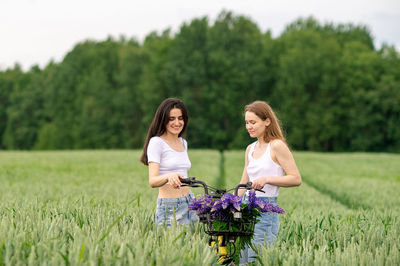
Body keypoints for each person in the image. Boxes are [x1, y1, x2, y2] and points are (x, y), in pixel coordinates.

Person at [238, 100, 301, 264]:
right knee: (243, 261)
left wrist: (267, 179)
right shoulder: (250, 149)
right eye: (246, 122)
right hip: (245, 209)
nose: (249, 126)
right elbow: (244, 182)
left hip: (265, 211)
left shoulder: (277, 146)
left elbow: (295, 178)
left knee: (256, 260)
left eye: (253, 122)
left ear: (267, 121)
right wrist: (234, 205)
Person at [140, 98, 198, 227]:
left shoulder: (183, 142)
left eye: (180, 118)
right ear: (163, 120)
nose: (177, 123)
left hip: (190, 201)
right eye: (171, 119)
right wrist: (168, 176)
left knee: (193, 246)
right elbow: (152, 181)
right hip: (170, 206)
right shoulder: (156, 143)